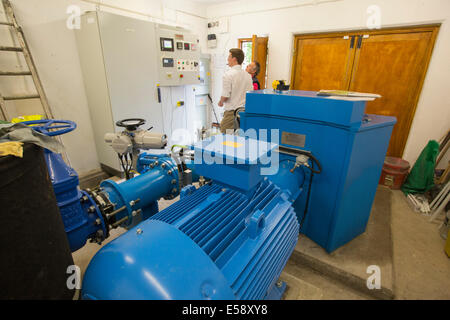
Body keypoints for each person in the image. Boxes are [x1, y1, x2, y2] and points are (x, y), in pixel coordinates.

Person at [218, 48, 253, 134]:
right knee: (240, 138)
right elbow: (250, 94)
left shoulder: (228, 74)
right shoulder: (248, 76)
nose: (227, 59)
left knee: (225, 137)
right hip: (244, 113)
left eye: (229, 56)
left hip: (231, 114)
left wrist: (221, 102)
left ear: (234, 59)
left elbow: (225, 95)